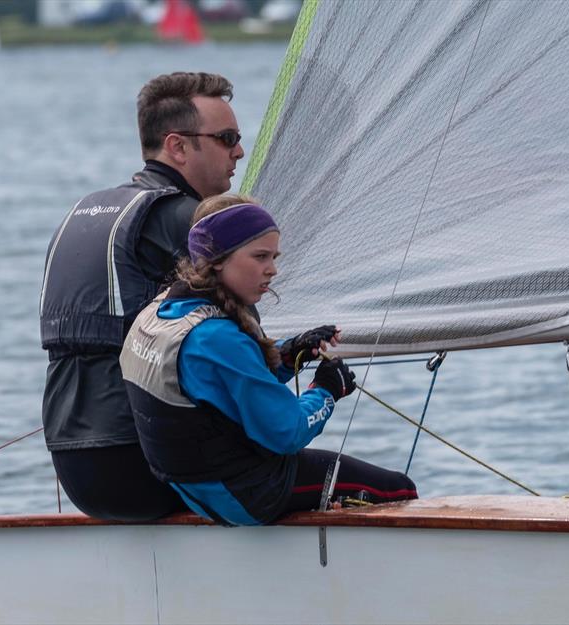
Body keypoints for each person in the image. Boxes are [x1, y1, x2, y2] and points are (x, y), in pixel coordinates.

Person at [121, 194, 418, 526]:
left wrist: (289, 352)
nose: (272, 270)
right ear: (218, 259)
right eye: (260, 256)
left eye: (274, 257)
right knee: (399, 490)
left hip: (198, 491)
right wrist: (326, 390)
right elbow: (286, 431)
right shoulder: (217, 339)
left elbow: (225, 379)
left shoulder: (161, 312)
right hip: (249, 494)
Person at [39, 72, 244, 521]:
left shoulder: (89, 210)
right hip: (148, 467)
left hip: (77, 471)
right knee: (371, 483)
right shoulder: (192, 220)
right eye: (227, 138)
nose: (239, 151)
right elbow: (244, 353)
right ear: (177, 147)